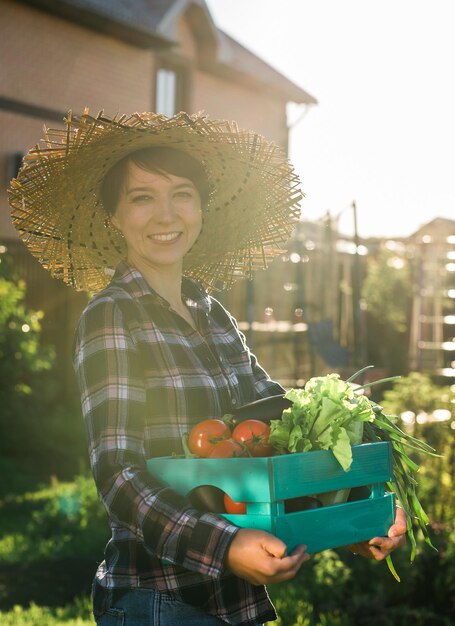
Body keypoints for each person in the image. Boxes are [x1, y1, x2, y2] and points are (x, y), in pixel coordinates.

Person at [8, 109, 406, 626]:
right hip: (158, 598)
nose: (165, 214)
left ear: (201, 208)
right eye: (142, 197)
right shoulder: (112, 314)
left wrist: (353, 514)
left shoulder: (211, 314)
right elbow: (118, 475)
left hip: (235, 604)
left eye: (182, 194)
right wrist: (225, 544)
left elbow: (282, 429)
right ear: (114, 216)